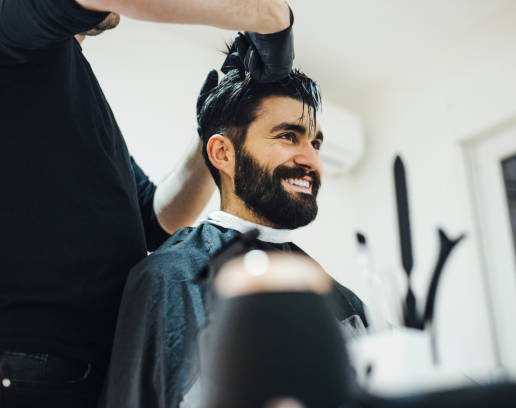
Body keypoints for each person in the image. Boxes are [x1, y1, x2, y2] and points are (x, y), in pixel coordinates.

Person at [0, 0, 293, 406]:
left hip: (100, 368)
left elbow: (159, 219)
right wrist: (273, 18)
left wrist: (211, 130)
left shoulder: (69, 82)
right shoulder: (12, 25)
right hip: (38, 365)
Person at [101, 57, 367, 408]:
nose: (311, 159)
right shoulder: (166, 280)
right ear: (223, 153)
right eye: (289, 136)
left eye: (315, 143)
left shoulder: (346, 302)